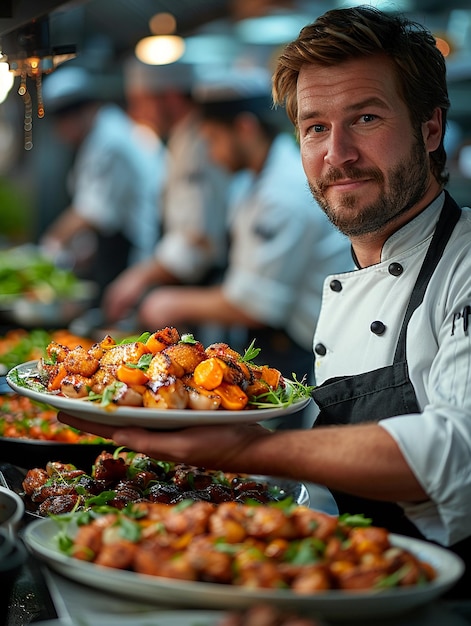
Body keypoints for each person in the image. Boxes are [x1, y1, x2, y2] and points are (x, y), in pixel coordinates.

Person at [59, 6, 471, 596]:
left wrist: (255, 450)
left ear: (430, 128)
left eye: (367, 117)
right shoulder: (356, 266)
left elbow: (461, 455)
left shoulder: (465, 266)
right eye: (315, 128)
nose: (338, 154)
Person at [114, 67, 351, 428]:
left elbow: (256, 304)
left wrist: (168, 301)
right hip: (285, 336)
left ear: (244, 128)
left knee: (274, 456)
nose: (209, 153)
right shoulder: (258, 179)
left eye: (212, 139)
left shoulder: (280, 194)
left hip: (305, 343)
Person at [101, 60, 230, 325]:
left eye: (140, 101)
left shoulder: (199, 145)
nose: (135, 113)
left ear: (170, 97)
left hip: (204, 288)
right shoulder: (181, 140)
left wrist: (139, 277)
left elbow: (197, 239)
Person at [39, 65, 163, 299]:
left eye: (65, 119)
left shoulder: (110, 141)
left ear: (88, 109)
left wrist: (49, 245)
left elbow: (93, 212)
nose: (60, 130)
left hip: (135, 249)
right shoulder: (97, 137)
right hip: (115, 246)